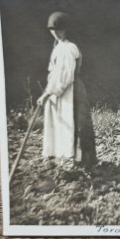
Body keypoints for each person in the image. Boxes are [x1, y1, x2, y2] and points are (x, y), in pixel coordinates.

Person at [37, 12, 97, 168]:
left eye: (59, 29)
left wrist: (48, 93)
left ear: (66, 29)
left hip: (70, 91)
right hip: (59, 90)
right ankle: (61, 158)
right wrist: (49, 91)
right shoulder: (59, 47)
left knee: (75, 124)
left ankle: (79, 160)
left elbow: (64, 76)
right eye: (52, 30)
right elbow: (55, 73)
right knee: (61, 125)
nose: (56, 33)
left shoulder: (69, 48)